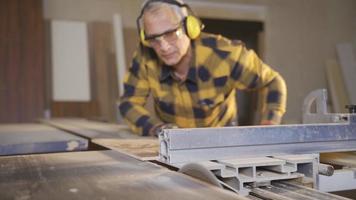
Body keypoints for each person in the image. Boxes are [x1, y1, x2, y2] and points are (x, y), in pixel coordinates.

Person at [119, 0, 287, 136]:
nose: (163, 46)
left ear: (189, 27)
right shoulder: (145, 57)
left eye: (171, 33)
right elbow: (128, 103)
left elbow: (272, 82)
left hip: (222, 145)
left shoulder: (225, 54)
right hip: (172, 148)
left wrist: (269, 126)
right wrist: (156, 128)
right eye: (154, 38)